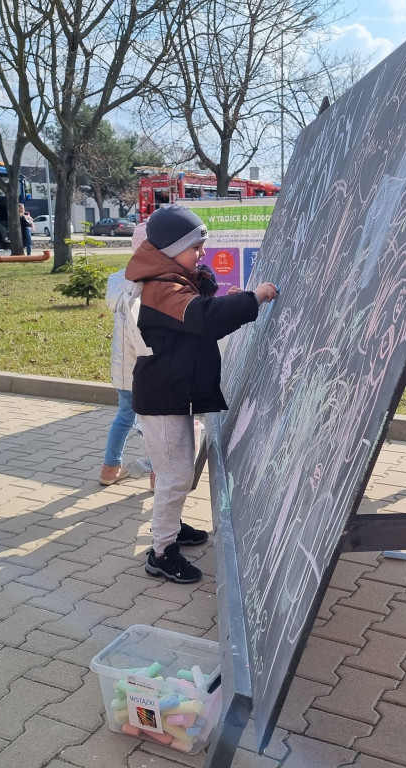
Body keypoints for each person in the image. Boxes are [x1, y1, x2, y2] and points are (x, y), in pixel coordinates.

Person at [126, 204, 278, 584]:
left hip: (172, 395)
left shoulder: (171, 280)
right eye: (195, 247)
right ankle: (161, 552)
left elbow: (202, 321)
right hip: (161, 401)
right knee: (175, 475)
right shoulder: (161, 288)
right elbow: (203, 318)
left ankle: (170, 528)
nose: (202, 254)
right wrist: (254, 298)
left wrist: (222, 294)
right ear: (169, 250)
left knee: (175, 472)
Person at [98, 220, 152, 488]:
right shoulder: (152, 283)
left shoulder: (118, 281)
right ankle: (157, 473)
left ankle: (110, 468)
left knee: (123, 416)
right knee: (154, 421)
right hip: (147, 367)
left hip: (122, 368)